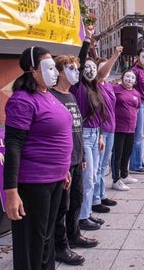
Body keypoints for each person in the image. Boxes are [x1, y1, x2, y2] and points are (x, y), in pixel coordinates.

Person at [3, 46, 73, 269]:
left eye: (54, 66)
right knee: (32, 242)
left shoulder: (47, 95)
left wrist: (63, 170)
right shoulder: (22, 100)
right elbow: (13, 145)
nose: (53, 71)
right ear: (32, 69)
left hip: (55, 179)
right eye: (48, 66)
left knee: (46, 237)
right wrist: (11, 191)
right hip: (34, 182)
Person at [51, 54, 97, 265]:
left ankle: (74, 234)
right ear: (59, 72)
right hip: (63, 162)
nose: (76, 72)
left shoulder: (70, 95)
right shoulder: (52, 97)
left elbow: (76, 129)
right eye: (71, 68)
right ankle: (60, 246)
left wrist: (81, 157)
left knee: (77, 198)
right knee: (62, 205)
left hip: (77, 158)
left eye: (76, 68)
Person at [70, 35, 107, 232]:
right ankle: (82, 217)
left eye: (95, 68)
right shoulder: (77, 87)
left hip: (94, 135)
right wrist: (87, 44)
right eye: (88, 68)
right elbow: (81, 62)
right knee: (88, 177)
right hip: (83, 136)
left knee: (92, 175)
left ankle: (87, 212)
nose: (91, 70)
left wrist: (100, 135)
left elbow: (99, 115)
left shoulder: (95, 88)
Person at [92, 46, 124, 214]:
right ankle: (95, 199)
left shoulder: (108, 86)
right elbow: (101, 72)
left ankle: (102, 194)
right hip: (101, 130)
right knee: (97, 166)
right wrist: (115, 55)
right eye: (106, 68)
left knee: (104, 165)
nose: (109, 70)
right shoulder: (96, 85)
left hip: (111, 128)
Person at [112, 70, 141, 191]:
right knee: (117, 154)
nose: (129, 79)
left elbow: (137, 108)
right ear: (122, 77)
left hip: (131, 128)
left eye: (132, 78)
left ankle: (124, 175)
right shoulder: (115, 89)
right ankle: (116, 179)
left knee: (127, 152)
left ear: (135, 81)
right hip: (119, 127)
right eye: (127, 76)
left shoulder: (136, 93)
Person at [129, 49, 144, 174]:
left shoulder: (143, 71)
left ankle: (139, 159)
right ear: (137, 57)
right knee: (137, 135)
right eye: (143, 57)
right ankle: (134, 164)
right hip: (138, 104)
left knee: (141, 134)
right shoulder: (135, 71)